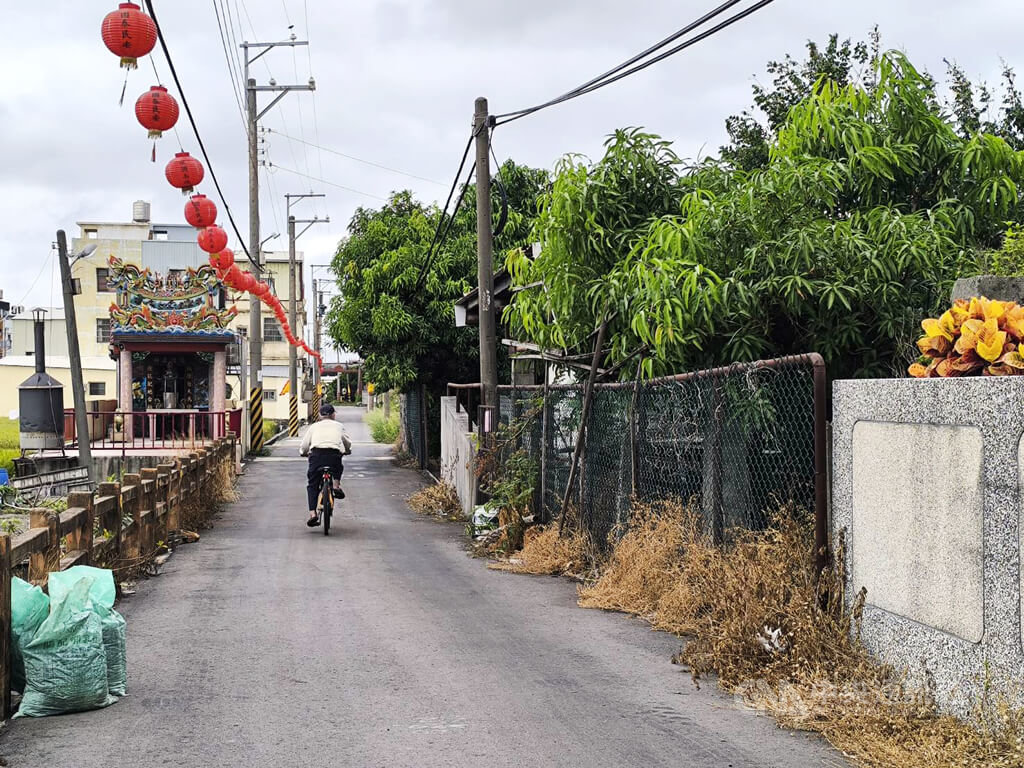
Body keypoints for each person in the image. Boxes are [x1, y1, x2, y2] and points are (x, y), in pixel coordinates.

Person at [299, 403, 352, 526]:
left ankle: (313, 514)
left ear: (320, 415)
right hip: (333, 455)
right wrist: (347, 451)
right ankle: (336, 486)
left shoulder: (314, 427)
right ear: (333, 415)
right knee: (338, 467)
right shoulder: (339, 426)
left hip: (316, 456)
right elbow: (346, 442)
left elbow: (305, 445)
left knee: (312, 484)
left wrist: (303, 453)